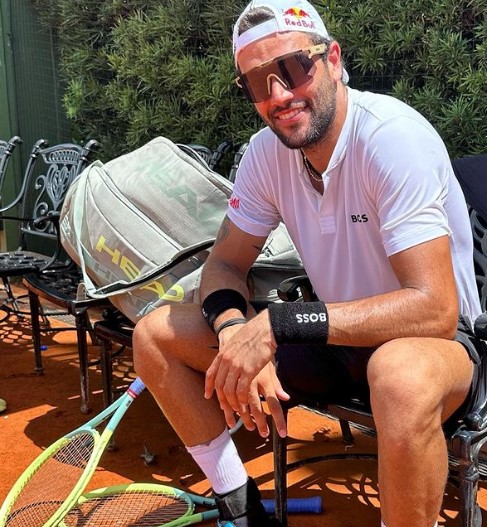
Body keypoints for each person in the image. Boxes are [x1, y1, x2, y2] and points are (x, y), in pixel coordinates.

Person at [133, 1, 486, 526]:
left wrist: (279, 325)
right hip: (333, 339)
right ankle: (243, 513)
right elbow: (224, 265)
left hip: (439, 348)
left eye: (294, 68)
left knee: (399, 375)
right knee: (156, 333)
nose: (279, 95)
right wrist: (234, 331)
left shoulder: (391, 137)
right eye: (257, 83)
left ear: (333, 60)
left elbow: (434, 308)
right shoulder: (265, 154)